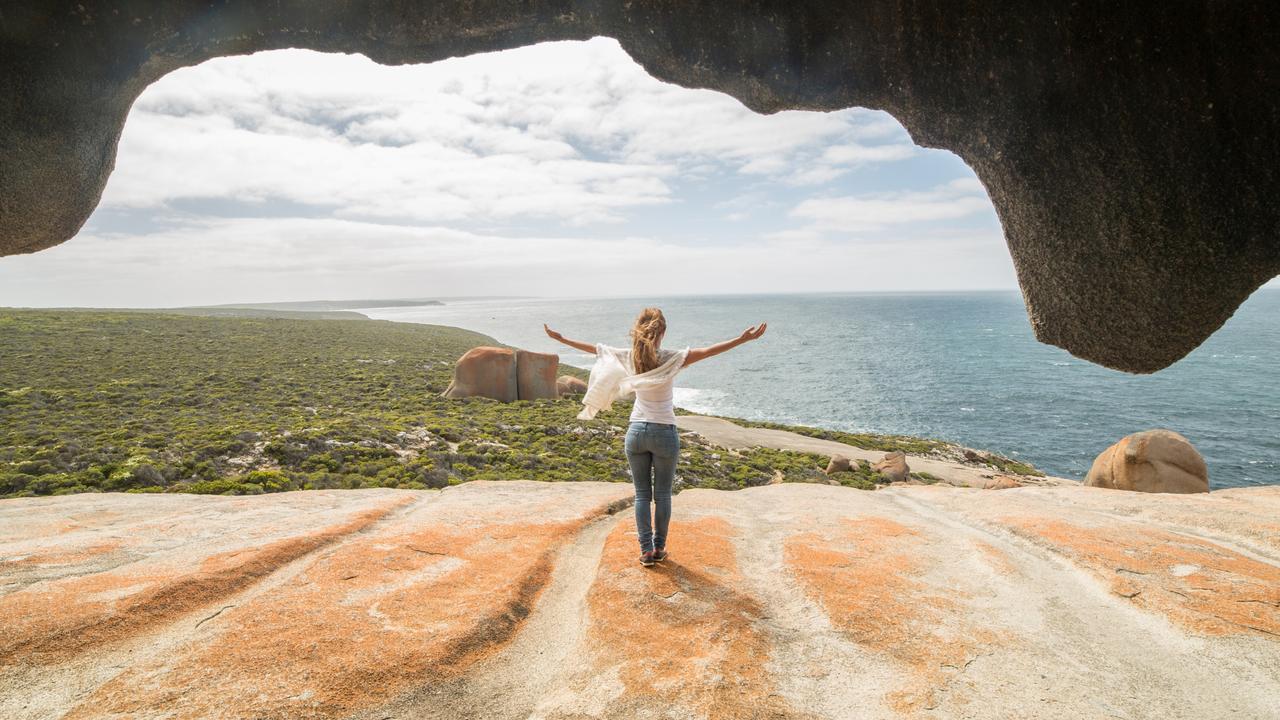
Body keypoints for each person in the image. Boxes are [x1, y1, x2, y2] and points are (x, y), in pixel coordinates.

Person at [543, 308, 767, 567]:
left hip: (636, 432)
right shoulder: (673, 358)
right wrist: (742, 339)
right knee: (662, 495)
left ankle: (646, 551)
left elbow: (595, 350)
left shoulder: (629, 357)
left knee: (641, 495)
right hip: (664, 433)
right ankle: (659, 548)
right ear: (663, 332)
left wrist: (561, 339)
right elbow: (709, 351)